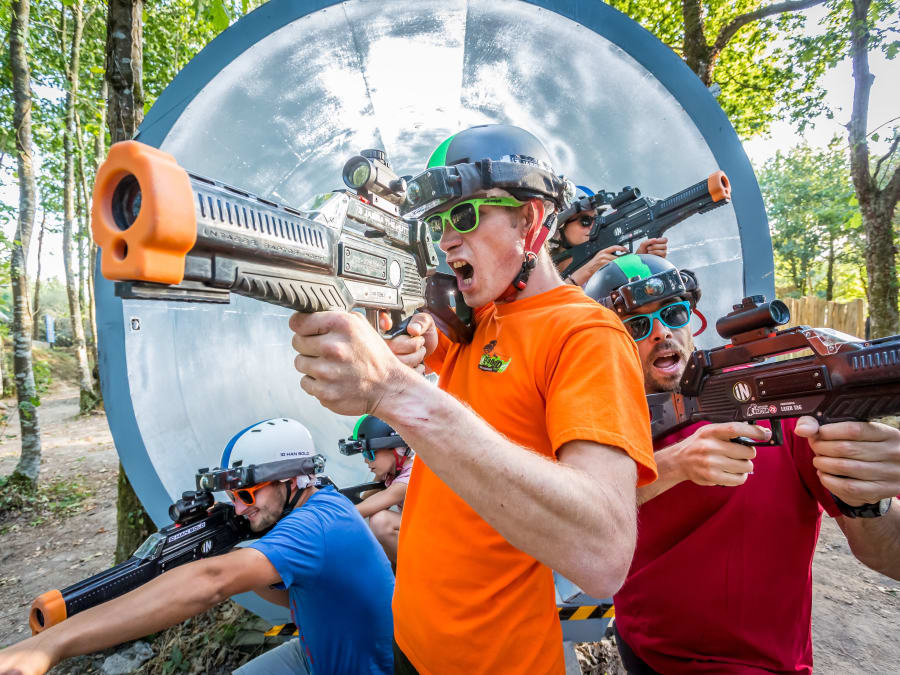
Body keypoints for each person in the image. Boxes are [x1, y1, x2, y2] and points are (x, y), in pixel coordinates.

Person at [288, 123, 657, 674]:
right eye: (438, 223)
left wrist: (396, 391)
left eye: (463, 216)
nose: (444, 240)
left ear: (531, 221)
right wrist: (404, 337)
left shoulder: (587, 336)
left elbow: (603, 552)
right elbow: (430, 345)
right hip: (413, 642)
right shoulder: (477, 316)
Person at [584, 254, 900, 674]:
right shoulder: (601, 419)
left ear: (691, 320)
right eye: (637, 326)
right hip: (641, 649)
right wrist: (674, 463)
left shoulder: (783, 406)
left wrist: (869, 500)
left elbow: (887, 556)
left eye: (673, 313)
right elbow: (577, 517)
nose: (661, 332)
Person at [0, 418, 395, 675]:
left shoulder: (315, 526)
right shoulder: (321, 503)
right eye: (232, 497)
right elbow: (292, 600)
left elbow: (211, 582)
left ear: (290, 481)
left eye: (246, 493)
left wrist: (53, 645)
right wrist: (231, 541)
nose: (239, 507)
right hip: (316, 655)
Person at [553, 185, 668, 287]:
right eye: (585, 221)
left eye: (597, 219)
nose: (594, 225)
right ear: (559, 227)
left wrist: (641, 261)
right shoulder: (538, 265)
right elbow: (544, 303)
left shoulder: (601, 267)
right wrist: (586, 272)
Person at [340, 414, 414, 564]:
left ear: (397, 449)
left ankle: (417, 576)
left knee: (381, 522)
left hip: (441, 540)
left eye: (370, 453)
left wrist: (327, 517)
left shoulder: (411, 475)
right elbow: (364, 500)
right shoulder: (393, 472)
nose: (366, 461)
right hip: (426, 534)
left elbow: (364, 509)